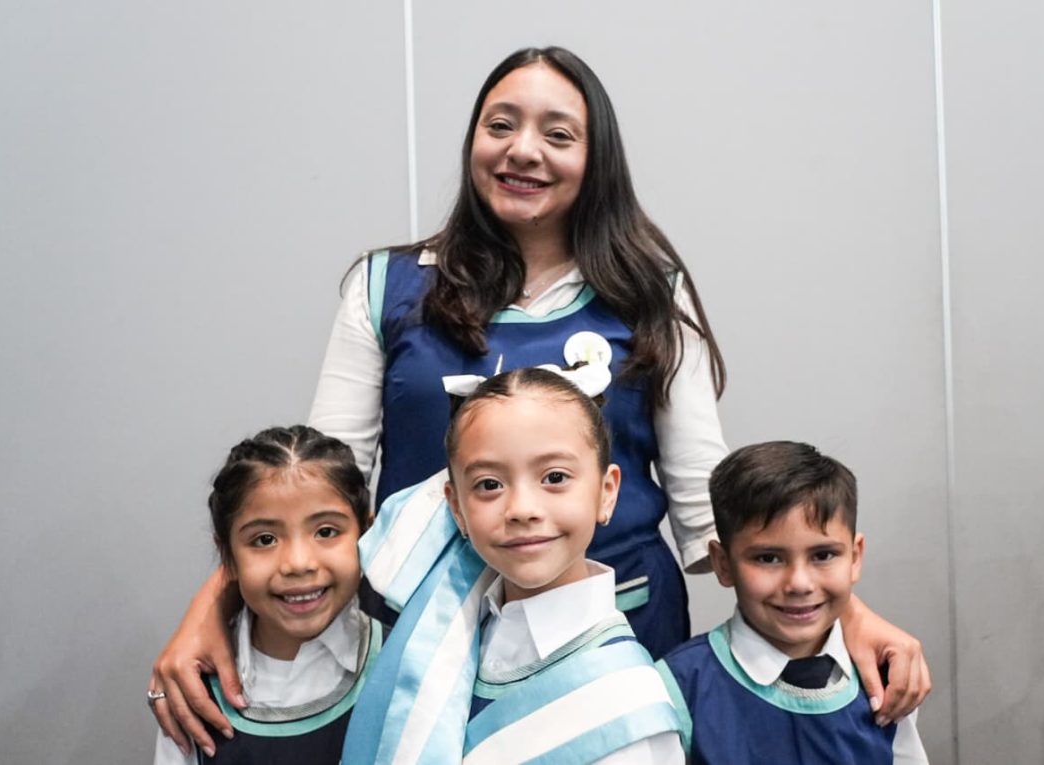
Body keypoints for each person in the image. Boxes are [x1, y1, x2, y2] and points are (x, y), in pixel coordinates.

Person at [149, 46, 930, 755]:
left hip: (614, 630)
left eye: (558, 134)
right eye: (501, 125)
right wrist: (214, 603)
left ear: (597, 159)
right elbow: (313, 494)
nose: (523, 149)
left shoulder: (650, 293)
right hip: (423, 641)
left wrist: (842, 614)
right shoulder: (386, 288)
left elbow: (713, 513)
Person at [343, 366, 684, 764]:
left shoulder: (625, 702)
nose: (522, 509)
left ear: (606, 492)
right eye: (489, 484)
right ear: (456, 507)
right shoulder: (434, 645)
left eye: (554, 477)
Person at [656, 441, 929, 764]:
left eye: (823, 555)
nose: (799, 583)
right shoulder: (676, 689)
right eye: (768, 558)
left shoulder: (887, 678)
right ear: (723, 563)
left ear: (855, 558)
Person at [150, 426, 382, 764]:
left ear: (367, 535)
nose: (298, 563)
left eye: (326, 531)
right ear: (228, 555)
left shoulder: (403, 662)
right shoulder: (192, 690)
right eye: (265, 539)